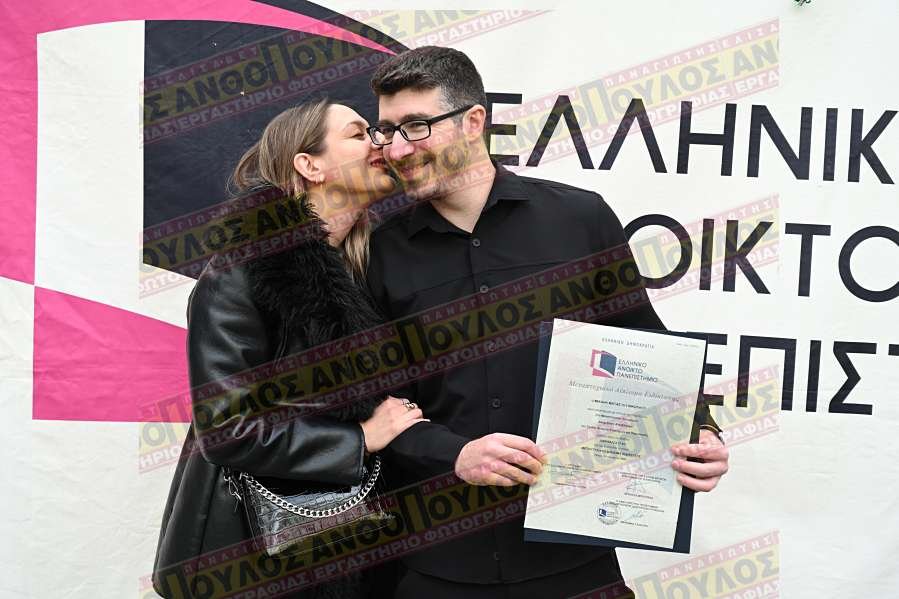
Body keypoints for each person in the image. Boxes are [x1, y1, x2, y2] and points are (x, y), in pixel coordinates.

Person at [364, 46, 730, 598]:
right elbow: (374, 406)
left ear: (473, 122)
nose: (397, 149)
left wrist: (697, 431)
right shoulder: (378, 252)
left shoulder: (580, 219)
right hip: (440, 566)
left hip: (576, 560)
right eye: (386, 131)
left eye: (417, 127)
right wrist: (454, 454)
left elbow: (644, 343)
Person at [151, 98, 425, 599]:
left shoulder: (367, 273)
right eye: (358, 133)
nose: (379, 143)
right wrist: (359, 439)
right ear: (309, 165)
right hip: (254, 560)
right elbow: (227, 429)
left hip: (353, 542)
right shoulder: (241, 273)